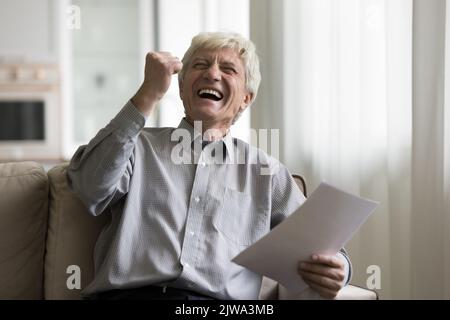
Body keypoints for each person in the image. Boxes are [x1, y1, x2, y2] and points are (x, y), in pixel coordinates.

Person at [67, 32, 351, 300]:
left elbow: (324, 247)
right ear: (180, 87)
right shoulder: (138, 147)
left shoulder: (267, 172)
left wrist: (339, 268)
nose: (212, 73)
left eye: (228, 69)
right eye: (200, 65)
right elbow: (89, 187)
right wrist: (148, 93)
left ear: (245, 99)